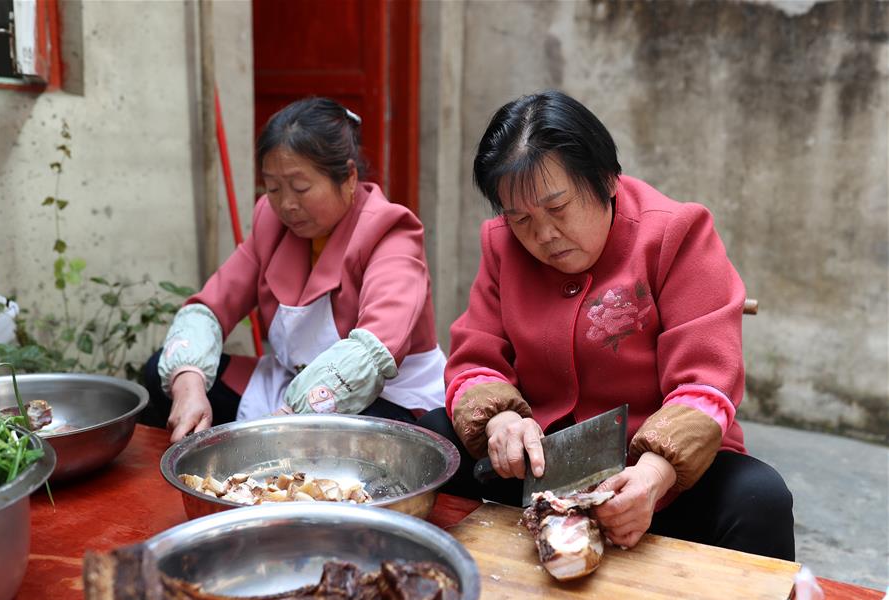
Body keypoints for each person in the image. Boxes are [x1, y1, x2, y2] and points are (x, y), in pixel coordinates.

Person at [418, 90, 795, 560]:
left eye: (558, 208)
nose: (544, 235)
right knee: (432, 439)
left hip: (655, 471)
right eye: (521, 218)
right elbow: (476, 355)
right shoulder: (502, 245)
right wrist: (501, 420)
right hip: (540, 467)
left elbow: (706, 382)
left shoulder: (676, 233)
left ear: (606, 178)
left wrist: (654, 475)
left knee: (759, 498)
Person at [145, 97, 446, 442]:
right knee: (162, 374)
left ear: (348, 178)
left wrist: (292, 418)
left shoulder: (390, 232)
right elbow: (211, 306)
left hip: (382, 397)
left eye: (300, 188)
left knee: (340, 443)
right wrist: (189, 385)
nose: (286, 204)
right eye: (273, 188)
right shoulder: (270, 222)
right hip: (287, 388)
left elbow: (374, 349)